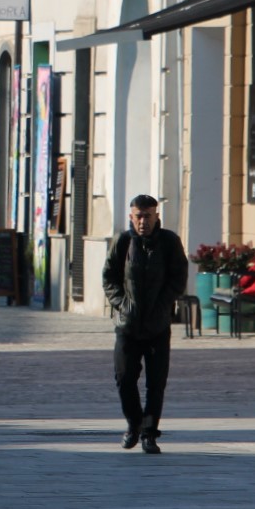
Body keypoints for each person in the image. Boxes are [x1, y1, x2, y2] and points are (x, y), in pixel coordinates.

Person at [101, 194, 187, 454]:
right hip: (127, 325)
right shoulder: (123, 242)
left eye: (148, 216)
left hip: (157, 326)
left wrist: (161, 308)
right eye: (138, 216)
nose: (143, 221)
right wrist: (123, 304)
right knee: (124, 378)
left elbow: (178, 279)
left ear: (156, 216)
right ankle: (134, 424)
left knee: (156, 382)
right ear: (131, 216)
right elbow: (109, 278)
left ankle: (150, 433)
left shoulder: (169, 242)